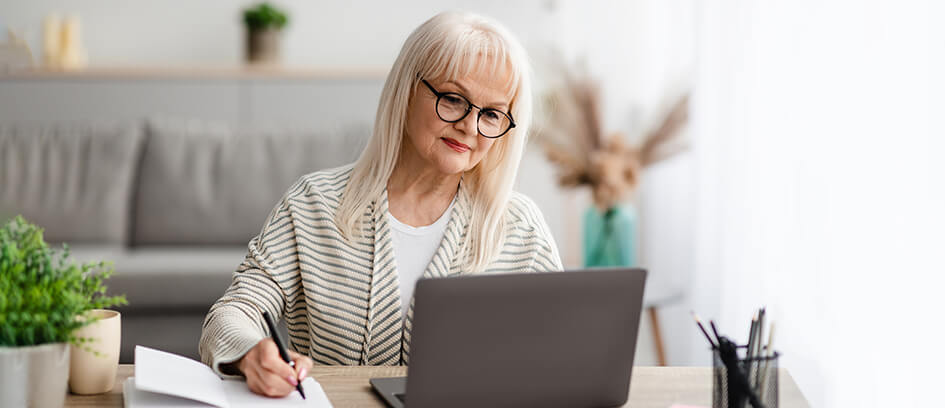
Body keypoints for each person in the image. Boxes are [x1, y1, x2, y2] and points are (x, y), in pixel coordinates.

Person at [199, 10, 563, 398]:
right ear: (406, 90)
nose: (470, 127)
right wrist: (252, 353)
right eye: (454, 99)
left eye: (491, 114)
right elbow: (232, 313)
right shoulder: (313, 204)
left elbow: (565, 347)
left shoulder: (521, 226)